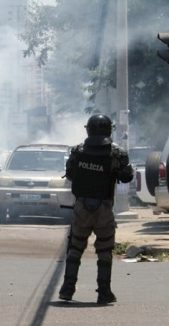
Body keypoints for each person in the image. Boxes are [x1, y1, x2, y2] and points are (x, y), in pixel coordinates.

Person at [59, 114, 134, 304]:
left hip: (82, 207)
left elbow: (69, 174)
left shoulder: (77, 151)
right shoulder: (117, 153)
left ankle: (67, 289)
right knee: (105, 251)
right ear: (109, 130)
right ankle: (104, 292)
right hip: (104, 208)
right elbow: (127, 177)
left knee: (75, 248)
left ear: (88, 130)